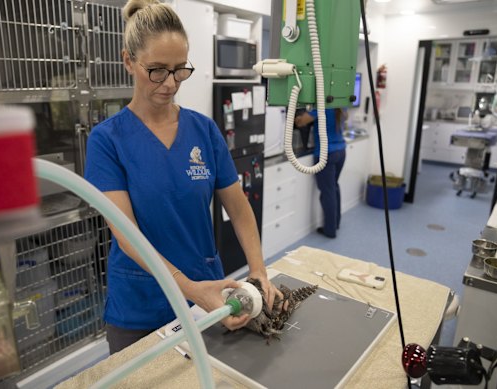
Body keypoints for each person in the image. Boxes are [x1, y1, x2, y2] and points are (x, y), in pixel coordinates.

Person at [84, 0, 282, 355]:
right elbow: (127, 236)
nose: (170, 83)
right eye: (157, 70)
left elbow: (238, 208)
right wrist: (189, 288)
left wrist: (258, 271)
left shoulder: (203, 130)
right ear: (128, 61)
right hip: (141, 304)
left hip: (208, 293)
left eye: (180, 70)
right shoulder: (107, 140)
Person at [295, 108, 347, 238]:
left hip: (326, 153)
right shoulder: (340, 103)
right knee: (334, 186)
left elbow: (301, 122)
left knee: (328, 191)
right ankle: (336, 223)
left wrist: (296, 118)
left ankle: (330, 230)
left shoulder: (322, 105)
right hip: (341, 150)